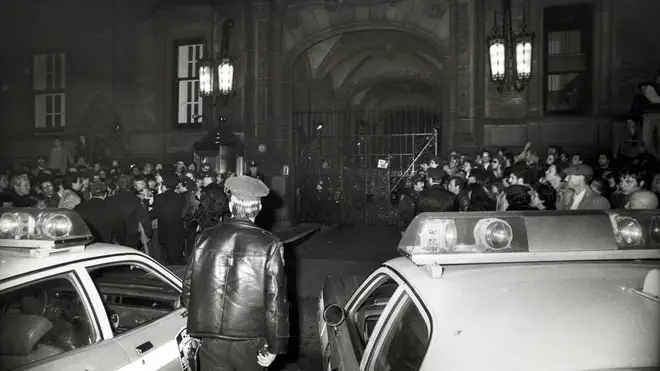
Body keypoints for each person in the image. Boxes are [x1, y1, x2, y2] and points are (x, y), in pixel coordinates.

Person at [181, 176, 289, 371]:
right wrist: (275, 347)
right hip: (250, 341)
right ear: (259, 208)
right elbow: (276, 301)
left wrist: (205, 322)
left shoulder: (204, 238)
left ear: (231, 206)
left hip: (211, 339)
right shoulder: (269, 245)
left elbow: (188, 291)